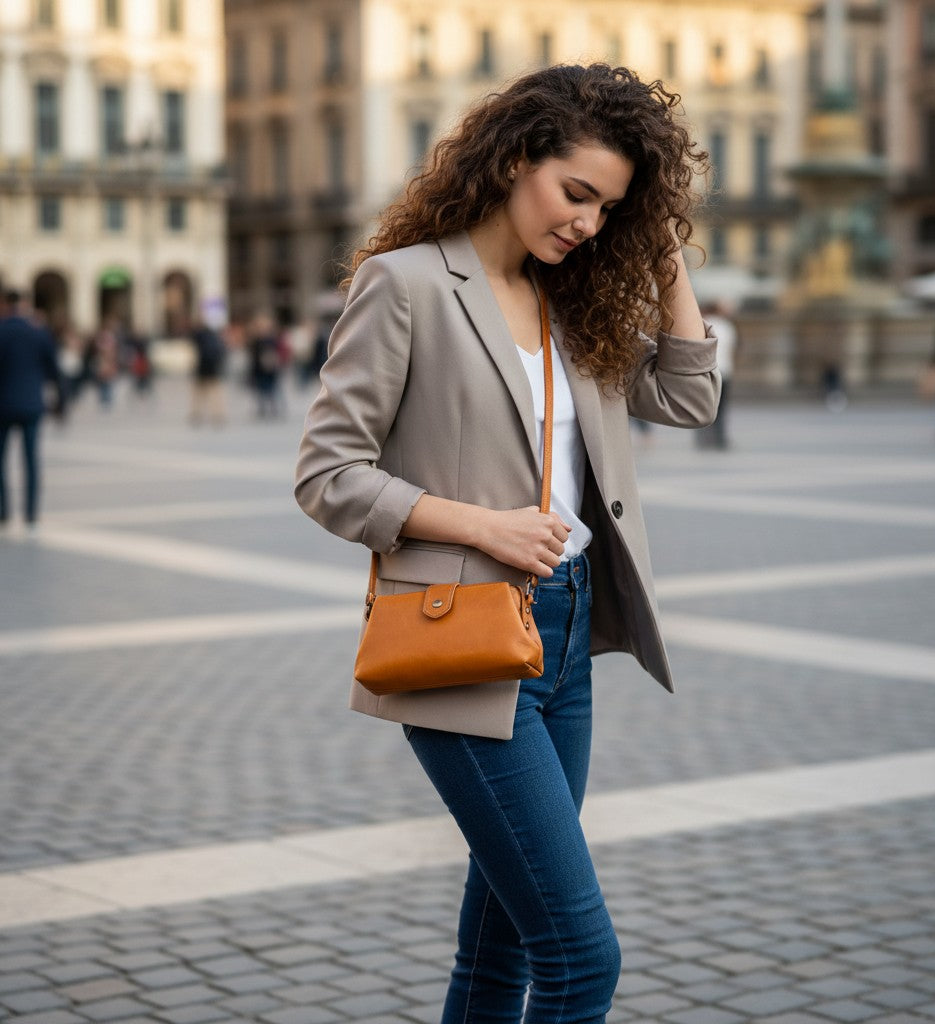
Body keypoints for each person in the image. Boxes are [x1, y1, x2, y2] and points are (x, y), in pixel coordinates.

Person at [295, 64, 719, 1024]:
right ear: (517, 157)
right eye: (577, 193)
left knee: (499, 954)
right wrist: (480, 524)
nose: (589, 224)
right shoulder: (407, 284)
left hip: (565, 638)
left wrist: (663, 255)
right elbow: (327, 474)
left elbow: (691, 396)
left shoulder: (575, 301)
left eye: (610, 209)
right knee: (580, 958)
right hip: (461, 637)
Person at [0, 289, 66, 530]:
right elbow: (54, 370)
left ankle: (4, 513)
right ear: (25, 304)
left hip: (2, 405)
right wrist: (61, 402)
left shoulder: (1, 331)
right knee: (31, 460)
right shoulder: (38, 332)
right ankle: (31, 515)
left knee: (0, 461)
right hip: (31, 404)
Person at [695, 299, 737, 448]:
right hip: (724, 371)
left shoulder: (703, 324)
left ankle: (703, 436)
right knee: (721, 407)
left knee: (703, 406)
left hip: (706, 371)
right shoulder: (727, 326)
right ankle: (720, 437)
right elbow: (732, 349)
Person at [190, 319, 228, 426]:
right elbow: (222, 352)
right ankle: (218, 413)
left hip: (203, 368)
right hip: (213, 369)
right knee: (215, 393)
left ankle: (197, 413)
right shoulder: (215, 337)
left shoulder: (199, 336)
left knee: (199, 393)